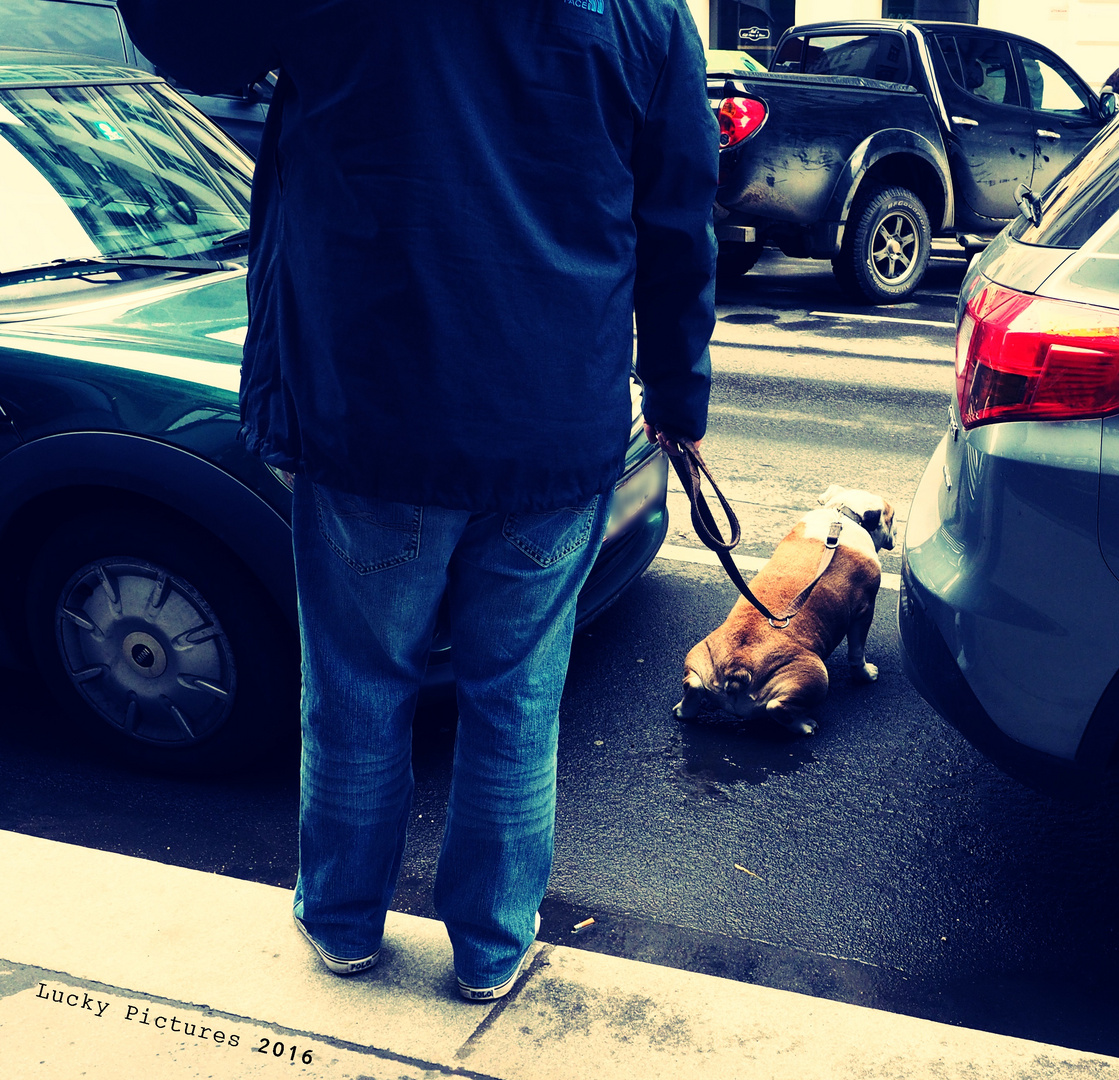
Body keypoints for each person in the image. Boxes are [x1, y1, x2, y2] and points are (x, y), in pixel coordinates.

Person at [117, 0, 717, 1001]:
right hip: (551, 424)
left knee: (358, 691)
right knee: (517, 701)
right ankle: (490, 949)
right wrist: (680, 397)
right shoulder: (647, 17)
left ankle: (344, 923)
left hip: (373, 418)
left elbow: (192, 43)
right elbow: (676, 220)